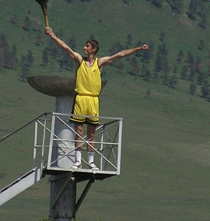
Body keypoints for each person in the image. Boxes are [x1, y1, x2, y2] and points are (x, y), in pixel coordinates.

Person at [45, 27, 148, 170]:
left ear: (93, 49)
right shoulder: (80, 61)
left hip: (93, 100)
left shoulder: (100, 63)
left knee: (91, 133)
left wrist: (138, 49)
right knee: (79, 131)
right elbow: (65, 47)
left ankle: (91, 161)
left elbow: (120, 54)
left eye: (87, 46)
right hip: (80, 99)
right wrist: (52, 35)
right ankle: (78, 161)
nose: (84, 48)